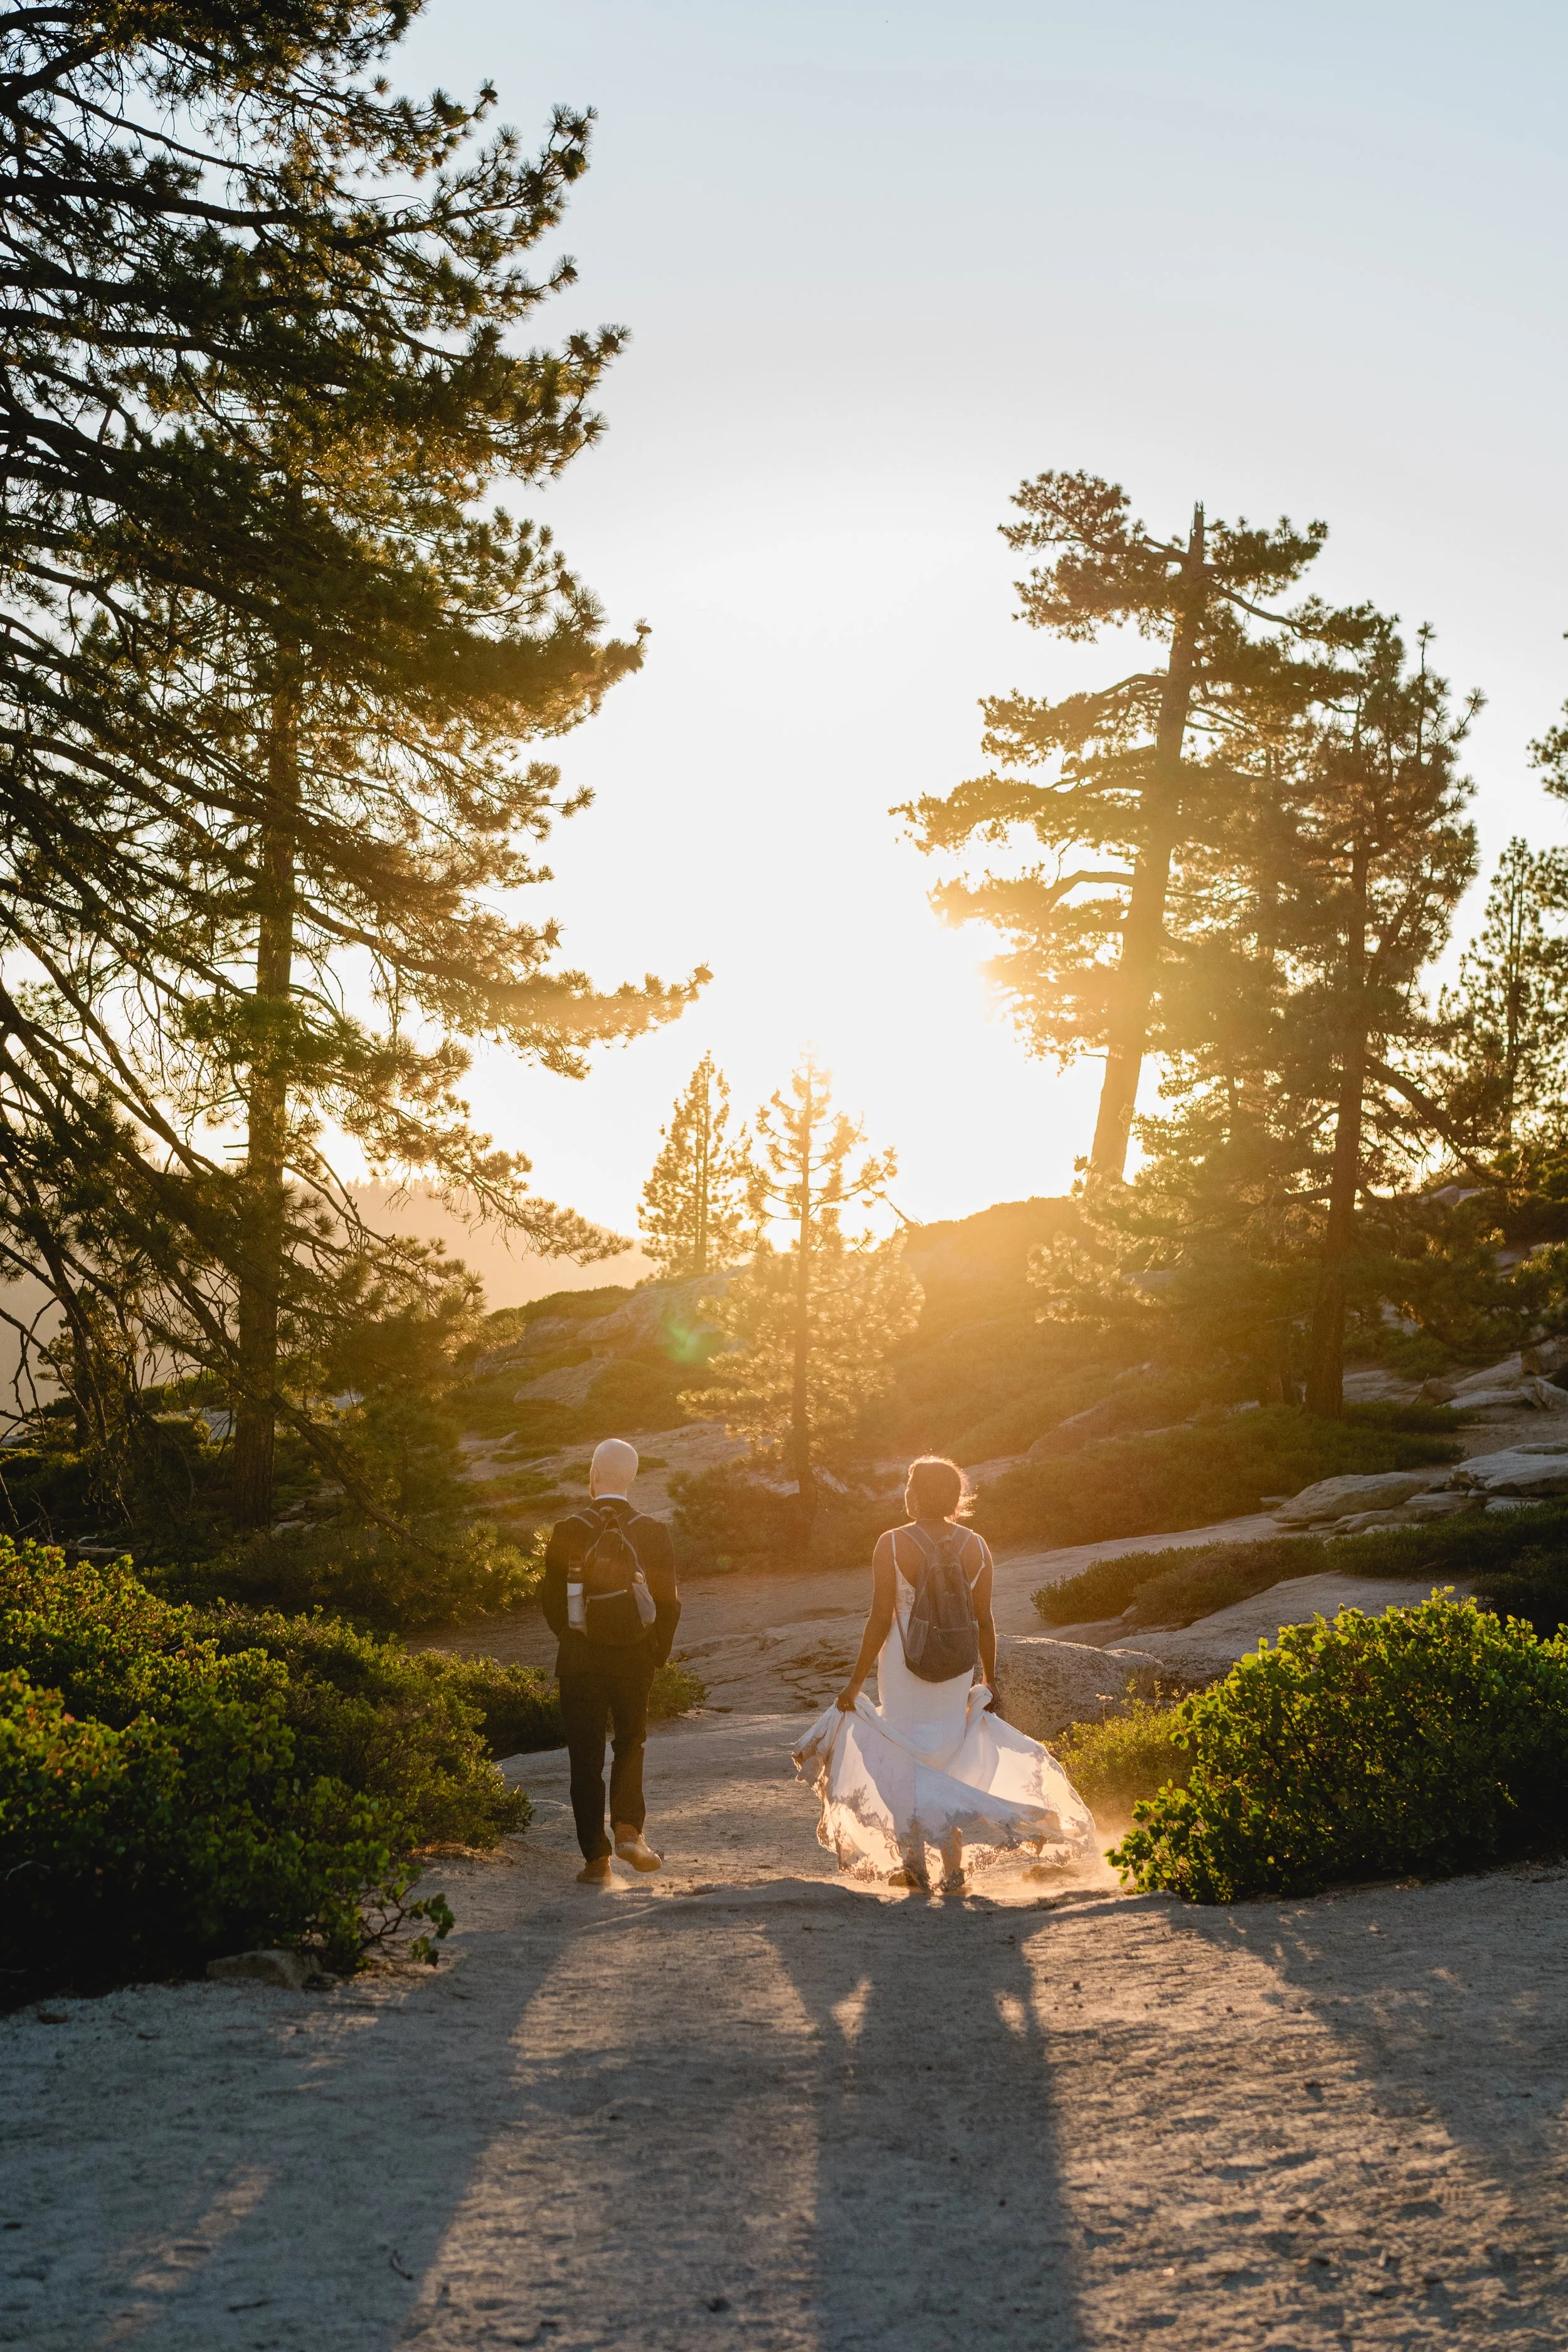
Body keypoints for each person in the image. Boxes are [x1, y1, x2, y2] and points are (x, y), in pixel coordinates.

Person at [793, 1454, 1094, 1890]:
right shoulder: (976, 1545)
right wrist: (988, 1679)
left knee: (905, 1755)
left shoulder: (892, 1544)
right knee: (947, 1752)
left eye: (909, 1485)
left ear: (915, 1495)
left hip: (903, 1663)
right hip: (956, 1665)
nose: (906, 1493)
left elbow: (880, 1618)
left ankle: (914, 1865)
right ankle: (952, 1865)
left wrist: (855, 1682)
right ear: (956, 1498)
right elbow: (985, 1620)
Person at [542, 1438, 681, 1885]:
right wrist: (654, 1654)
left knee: (585, 1757)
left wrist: (573, 1637)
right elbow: (669, 1603)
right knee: (630, 1742)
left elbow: (550, 1601)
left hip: (580, 1659)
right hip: (634, 1658)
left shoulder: (567, 1529)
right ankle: (628, 1831)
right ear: (633, 1477)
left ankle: (595, 1857)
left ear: (594, 1475)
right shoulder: (653, 1531)